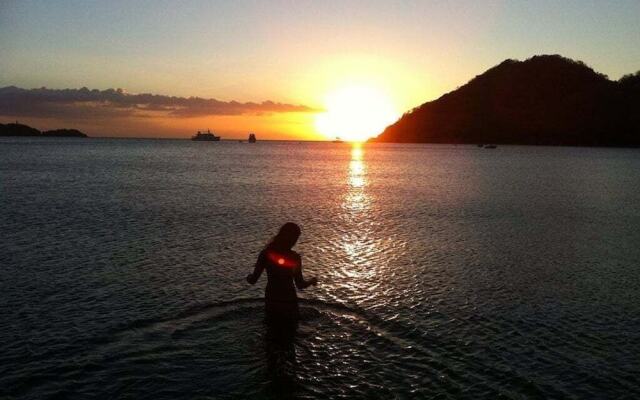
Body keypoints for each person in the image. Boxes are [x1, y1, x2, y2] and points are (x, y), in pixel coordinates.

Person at [246, 222, 317, 322]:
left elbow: (253, 280)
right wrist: (312, 281)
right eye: (296, 238)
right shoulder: (295, 257)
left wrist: (248, 277)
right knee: (291, 331)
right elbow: (300, 284)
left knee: (271, 329)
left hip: (272, 298)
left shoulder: (266, 254)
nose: (295, 242)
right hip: (288, 299)